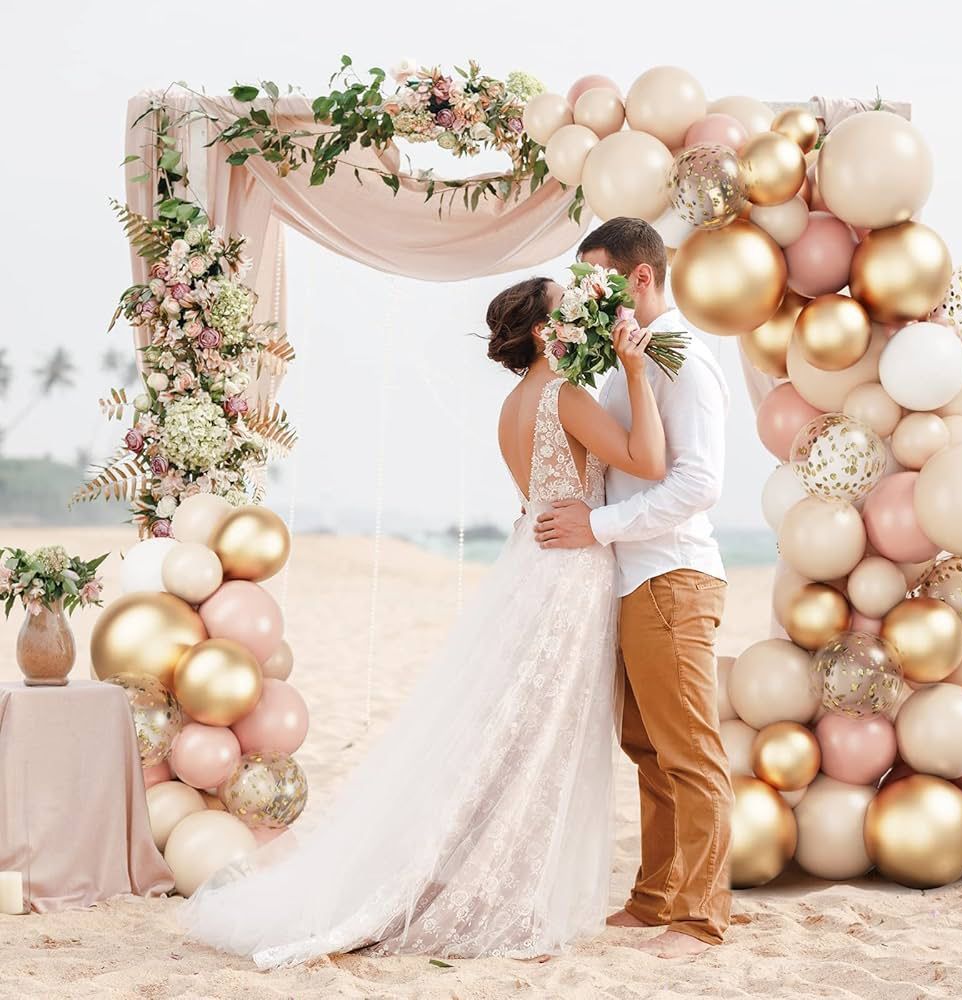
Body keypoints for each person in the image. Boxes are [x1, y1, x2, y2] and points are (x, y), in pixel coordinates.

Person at [180, 275, 667, 969]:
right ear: (542, 332)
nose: (583, 316)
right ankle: (502, 893)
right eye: (571, 309)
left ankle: (479, 875)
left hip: (533, 567)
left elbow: (537, 499)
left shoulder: (513, 405)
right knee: (539, 744)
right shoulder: (566, 396)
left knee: (513, 738)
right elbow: (648, 460)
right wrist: (636, 370)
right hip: (568, 578)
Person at [534, 217, 732, 960]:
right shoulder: (627, 361)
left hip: (672, 576)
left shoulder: (684, 360)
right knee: (646, 749)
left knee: (690, 753)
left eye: (597, 278)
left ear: (639, 279)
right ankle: (655, 900)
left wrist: (602, 525)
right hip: (631, 578)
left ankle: (701, 917)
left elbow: (700, 483)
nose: (587, 292)